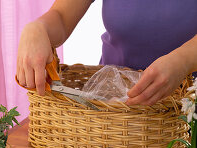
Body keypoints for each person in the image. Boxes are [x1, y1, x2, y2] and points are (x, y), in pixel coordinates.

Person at [16, 0, 197, 106]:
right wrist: (37, 28)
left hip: (188, 109)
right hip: (112, 109)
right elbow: (61, 17)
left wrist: (183, 61)